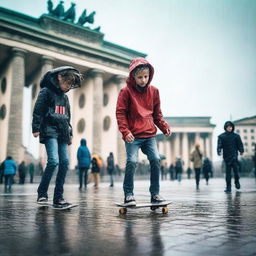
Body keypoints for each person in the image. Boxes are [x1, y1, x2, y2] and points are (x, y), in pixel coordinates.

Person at [116, 57, 171, 206]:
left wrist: (164, 126)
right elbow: (120, 113)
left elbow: (157, 114)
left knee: (155, 159)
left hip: (149, 135)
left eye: (146, 76)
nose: (143, 80)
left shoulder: (154, 92)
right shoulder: (125, 92)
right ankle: (128, 194)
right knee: (132, 161)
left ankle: (155, 194)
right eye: (140, 77)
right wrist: (125, 131)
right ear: (133, 76)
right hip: (132, 135)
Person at [32, 66, 82, 208]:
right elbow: (38, 110)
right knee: (53, 161)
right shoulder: (46, 92)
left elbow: (68, 118)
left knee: (65, 162)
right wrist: (36, 128)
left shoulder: (65, 98)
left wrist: (70, 133)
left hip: (62, 133)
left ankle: (58, 197)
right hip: (49, 130)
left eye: (70, 86)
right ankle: (42, 193)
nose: (67, 88)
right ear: (59, 77)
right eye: (66, 83)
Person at [217, 121, 244, 192]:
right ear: (226, 128)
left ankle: (237, 182)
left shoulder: (236, 136)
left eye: (231, 127)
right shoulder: (221, 136)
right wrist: (219, 150)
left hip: (234, 155)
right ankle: (228, 187)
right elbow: (219, 145)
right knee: (228, 173)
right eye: (228, 127)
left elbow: (240, 144)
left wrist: (241, 151)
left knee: (236, 171)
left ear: (232, 127)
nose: (230, 128)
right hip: (226, 157)